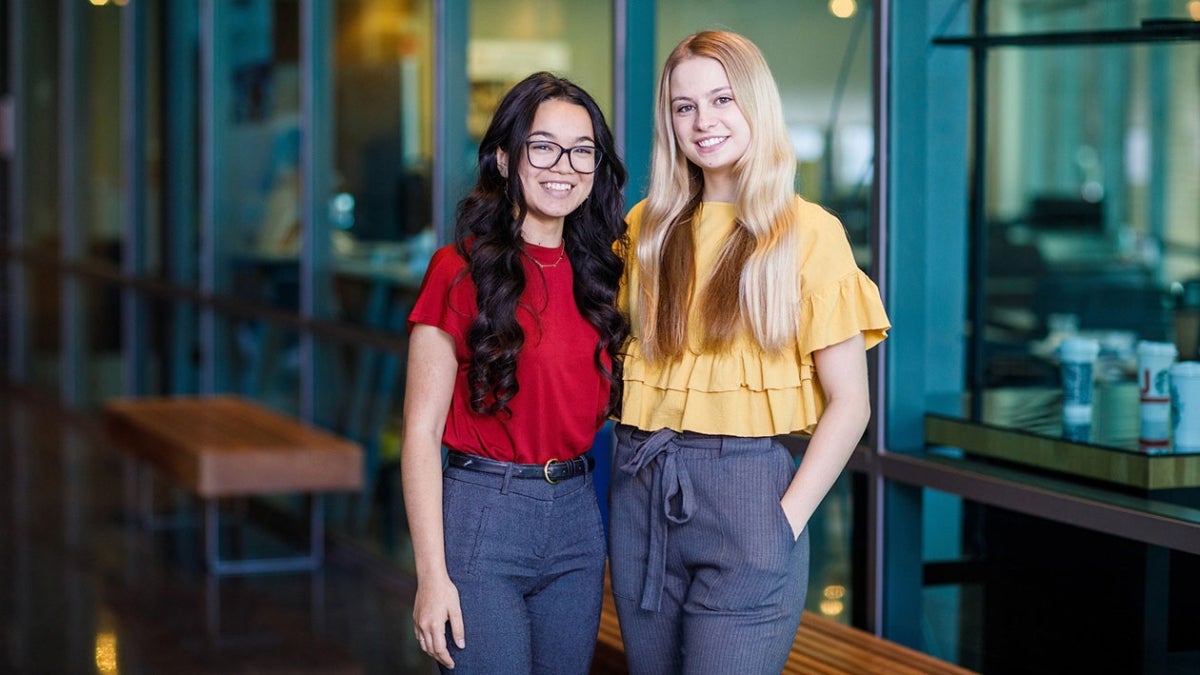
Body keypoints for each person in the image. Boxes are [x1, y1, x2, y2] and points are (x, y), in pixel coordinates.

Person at [608, 30, 891, 674]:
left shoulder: (809, 232)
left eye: (722, 99)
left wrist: (783, 522)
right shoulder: (644, 229)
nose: (704, 122)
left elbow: (851, 403)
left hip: (750, 499)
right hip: (640, 492)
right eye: (685, 107)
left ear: (755, 105)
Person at [402, 71, 628, 674]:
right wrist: (431, 575)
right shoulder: (457, 270)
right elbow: (420, 434)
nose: (566, 165)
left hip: (579, 517)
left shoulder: (606, 278)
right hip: (484, 514)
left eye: (584, 150)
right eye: (543, 145)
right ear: (504, 158)